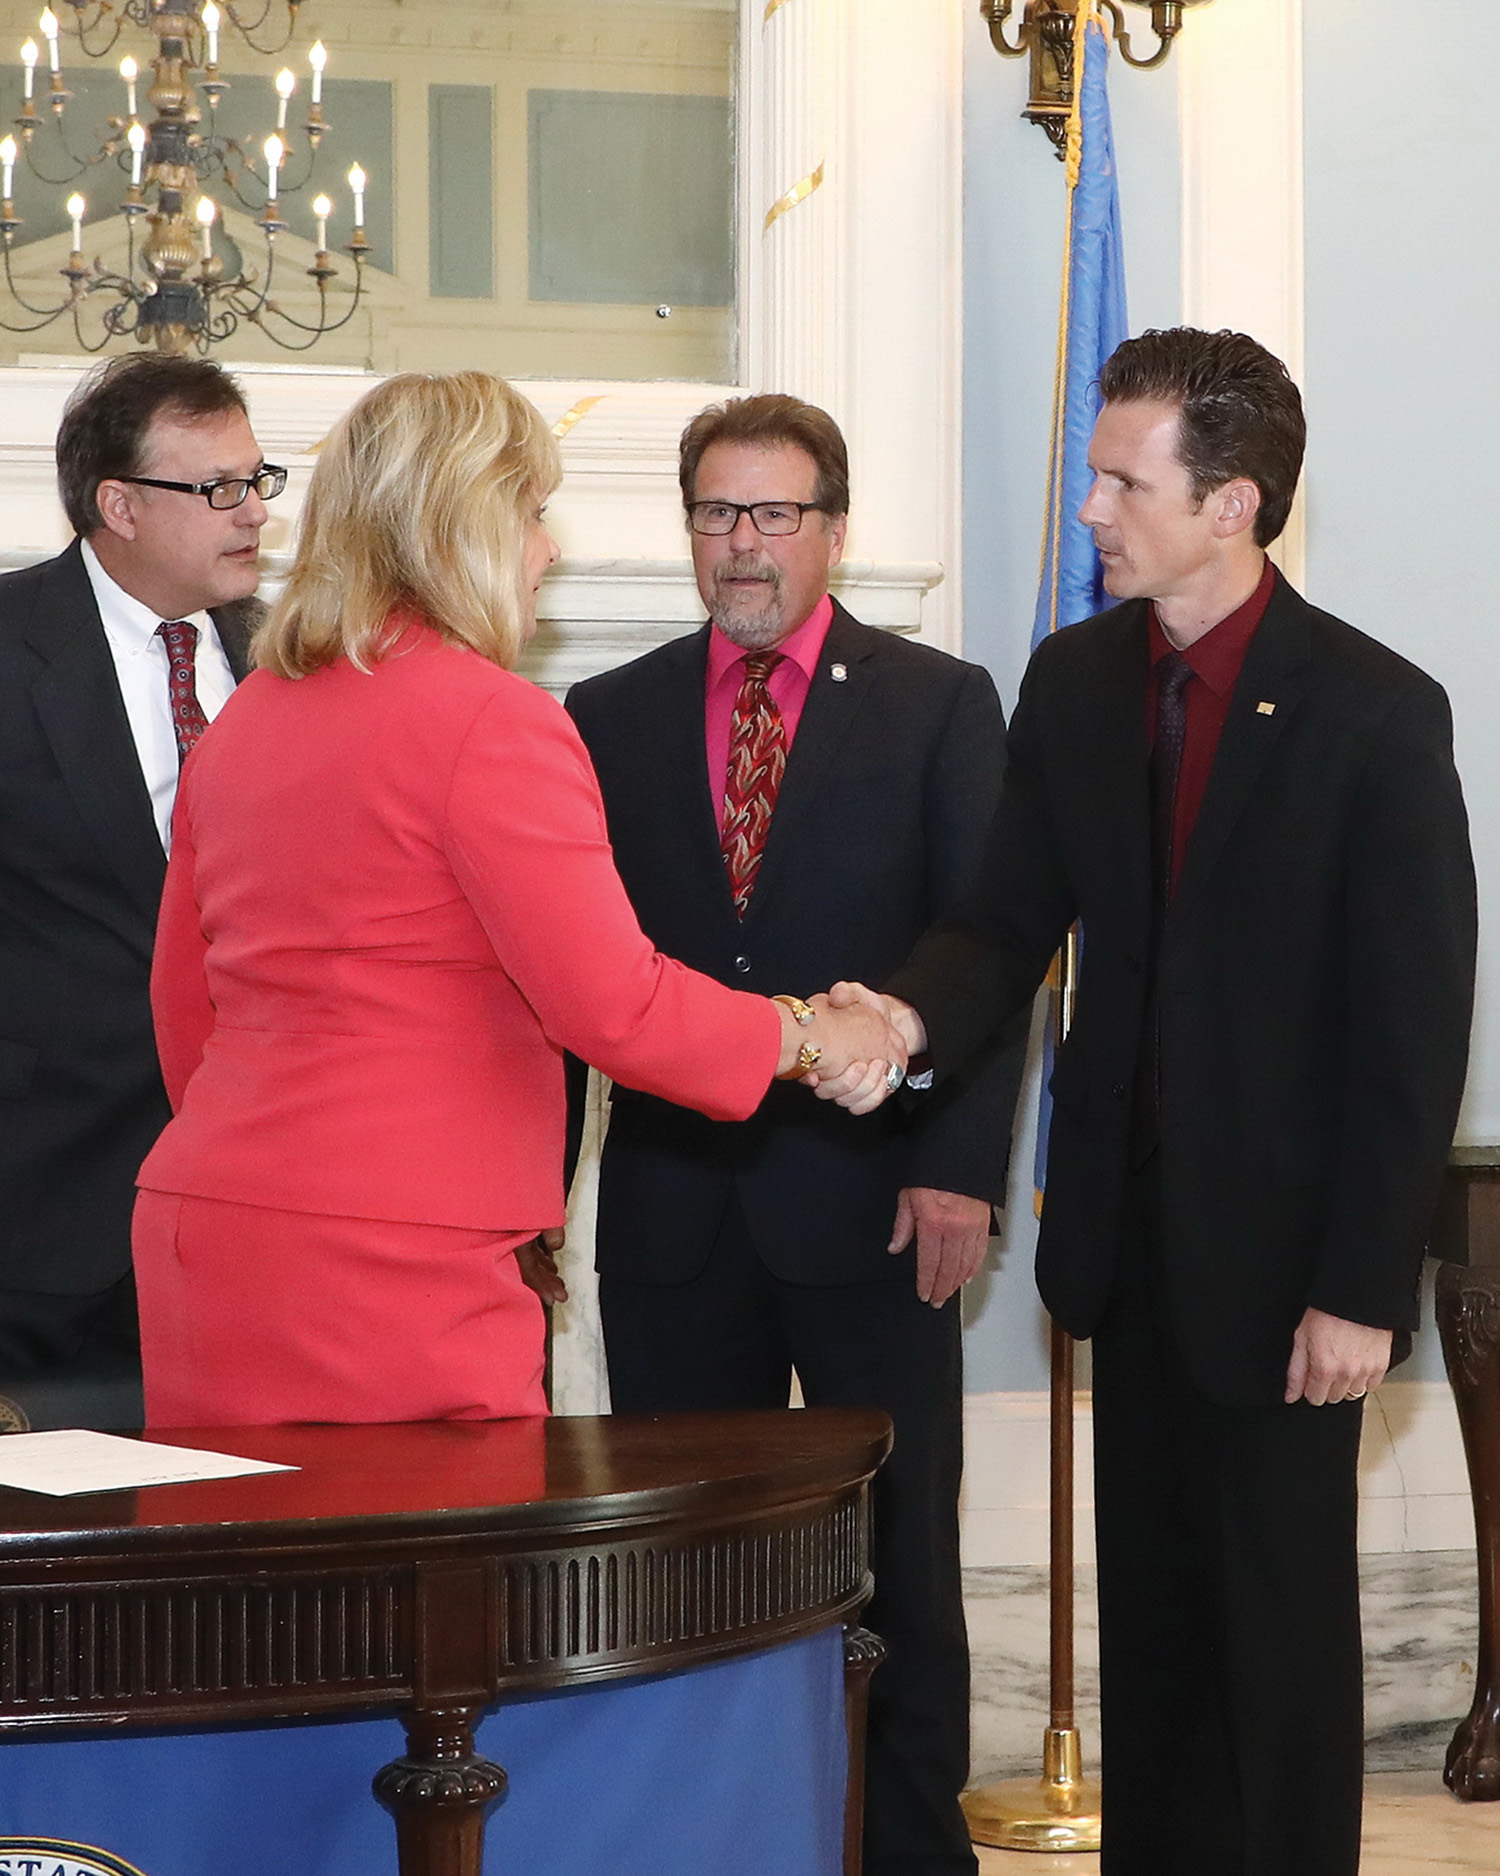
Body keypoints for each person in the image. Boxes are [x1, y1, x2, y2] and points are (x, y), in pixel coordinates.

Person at [832, 329, 1477, 1876]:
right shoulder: (1076, 681)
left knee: (1282, 1646)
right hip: (1126, 1253)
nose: (1092, 511)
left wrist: (1358, 1288)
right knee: (1166, 1644)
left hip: (1289, 1276)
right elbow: (1002, 925)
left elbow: (1412, 1033)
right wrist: (902, 1014)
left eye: (1124, 481)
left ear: (1234, 501)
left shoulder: (1379, 712)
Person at [131, 370, 900, 1431]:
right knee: (419, 1592)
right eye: (533, 514)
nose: (547, 547)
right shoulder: (492, 720)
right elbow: (612, 1003)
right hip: (388, 1259)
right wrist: (812, 1032)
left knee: (241, 1590)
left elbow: (185, 1008)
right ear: (467, 526)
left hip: (207, 1232)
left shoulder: (249, 718)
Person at [564, 393, 1027, 1876]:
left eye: (772, 514)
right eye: (715, 513)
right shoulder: (607, 714)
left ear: (835, 526)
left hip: (877, 1202)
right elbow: (571, 978)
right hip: (669, 1213)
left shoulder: (940, 701)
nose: (742, 545)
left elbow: (991, 946)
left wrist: (959, 1168)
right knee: (680, 1557)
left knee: (899, 1556)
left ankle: (903, 1851)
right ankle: (707, 1838)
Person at [0, 354, 273, 1398]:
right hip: (40, 1213)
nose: (250, 512)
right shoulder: (11, 642)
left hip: (245, 1210)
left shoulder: (292, 656)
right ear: (117, 504)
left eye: (257, 481)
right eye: (215, 489)